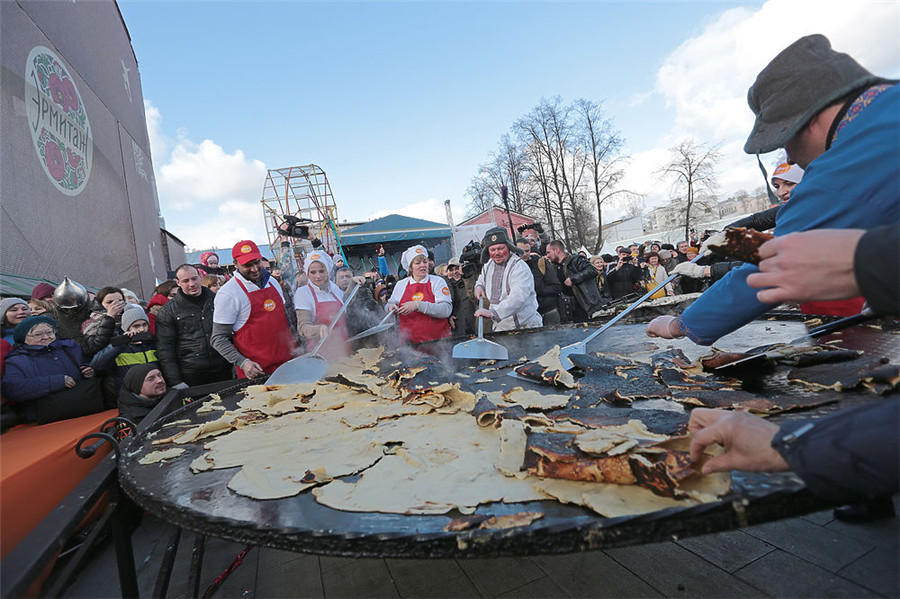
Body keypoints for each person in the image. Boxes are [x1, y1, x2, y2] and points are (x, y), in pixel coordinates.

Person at [647, 34, 899, 344]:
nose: (790, 156)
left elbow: (776, 262)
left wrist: (681, 325)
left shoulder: (852, 159)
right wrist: (740, 234)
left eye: (785, 139)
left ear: (809, 120)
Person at [689, 225, 899, 519]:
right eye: (777, 185)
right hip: (837, 314)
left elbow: (764, 269)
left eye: (790, 183)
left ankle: (868, 490)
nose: (783, 191)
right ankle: (866, 489)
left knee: (862, 382)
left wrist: (790, 444)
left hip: (855, 315)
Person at [212, 240, 297, 379]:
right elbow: (218, 339)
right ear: (235, 264)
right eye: (247, 265)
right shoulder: (228, 293)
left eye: (256, 262)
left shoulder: (273, 282)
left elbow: (286, 322)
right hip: (257, 372)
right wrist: (243, 363)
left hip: (288, 366)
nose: (254, 269)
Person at [1, 315, 97, 423]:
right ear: (24, 338)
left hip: (85, 409)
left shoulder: (70, 348)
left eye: (49, 332)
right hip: (47, 419)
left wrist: (89, 370)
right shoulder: (17, 360)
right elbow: (12, 389)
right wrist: (54, 382)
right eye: (38, 334)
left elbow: (85, 364)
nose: (46, 337)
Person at [155, 265, 233, 388]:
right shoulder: (168, 311)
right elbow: (165, 349)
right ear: (178, 283)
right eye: (186, 281)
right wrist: (175, 381)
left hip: (225, 368)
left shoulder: (218, 301)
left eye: (194, 279)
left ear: (201, 277)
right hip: (192, 375)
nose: (192, 284)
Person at [473, 228, 542, 332]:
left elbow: (518, 297)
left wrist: (493, 313)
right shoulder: (488, 266)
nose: (497, 253)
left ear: (509, 247)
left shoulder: (519, 267)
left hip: (526, 326)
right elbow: (481, 279)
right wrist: (478, 286)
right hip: (501, 328)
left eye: (500, 248)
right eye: (492, 250)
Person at [387, 244, 452, 343]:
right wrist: (390, 307)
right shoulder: (401, 285)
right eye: (418, 263)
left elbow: (446, 310)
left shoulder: (438, 282)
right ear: (410, 268)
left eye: (425, 261)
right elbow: (388, 305)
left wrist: (418, 305)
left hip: (438, 341)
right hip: (410, 345)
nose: (423, 265)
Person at [89, 306, 158, 395]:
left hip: (155, 393)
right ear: (127, 328)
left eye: (144, 324)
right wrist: (122, 343)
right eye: (136, 326)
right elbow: (96, 365)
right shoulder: (118, 346)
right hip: (130, 396)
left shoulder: (153, 343)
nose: (142, 329)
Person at [293, 251, 350, 359]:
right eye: (313, 272)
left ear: (327, 271)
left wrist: (354, 284)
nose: (318, 276)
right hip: (321, 354)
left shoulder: (334, 289)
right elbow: (303, 328)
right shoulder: (303, 293)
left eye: (321, 271)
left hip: (343, 348)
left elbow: (346, 303)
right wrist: (319, 329)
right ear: (308, 273)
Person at [545, 240, 605, 320]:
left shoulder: (576, 260)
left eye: (548, 252)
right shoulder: (554, 267)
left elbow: (592, 270)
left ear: (557, 250)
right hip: (569, 310)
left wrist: (573, 279)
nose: (547, 256)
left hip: (586, 306)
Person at [517, 238, 563, 326]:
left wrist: (537, 289)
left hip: (547, 311)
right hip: (526, 314)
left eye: (527, 251)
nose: (525, 254)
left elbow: (557, 287)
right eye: (521, 251)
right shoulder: (513, 267)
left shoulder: (541, 263)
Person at [444, 257, 476, 335]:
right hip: (458, 327)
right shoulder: (447, 286)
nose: (455, 272)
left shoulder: (472, 281)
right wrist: (449, 316)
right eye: (451, 270)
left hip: (474, 324)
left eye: (457, 268)